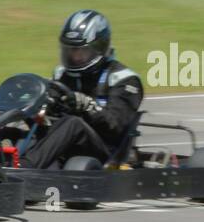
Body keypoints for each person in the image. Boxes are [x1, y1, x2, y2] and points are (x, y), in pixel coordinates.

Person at [21, 10, 144, 169]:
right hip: (66, 142)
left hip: (106, 152)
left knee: (73, 123)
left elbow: (115, 126)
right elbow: (50, 107)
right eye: (70, 51)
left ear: (99, 47)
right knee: (15, 125)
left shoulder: (124, 80)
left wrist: (88, 107)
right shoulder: (62, 74)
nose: (75, 57)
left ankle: (24, 168)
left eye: (81, 51)